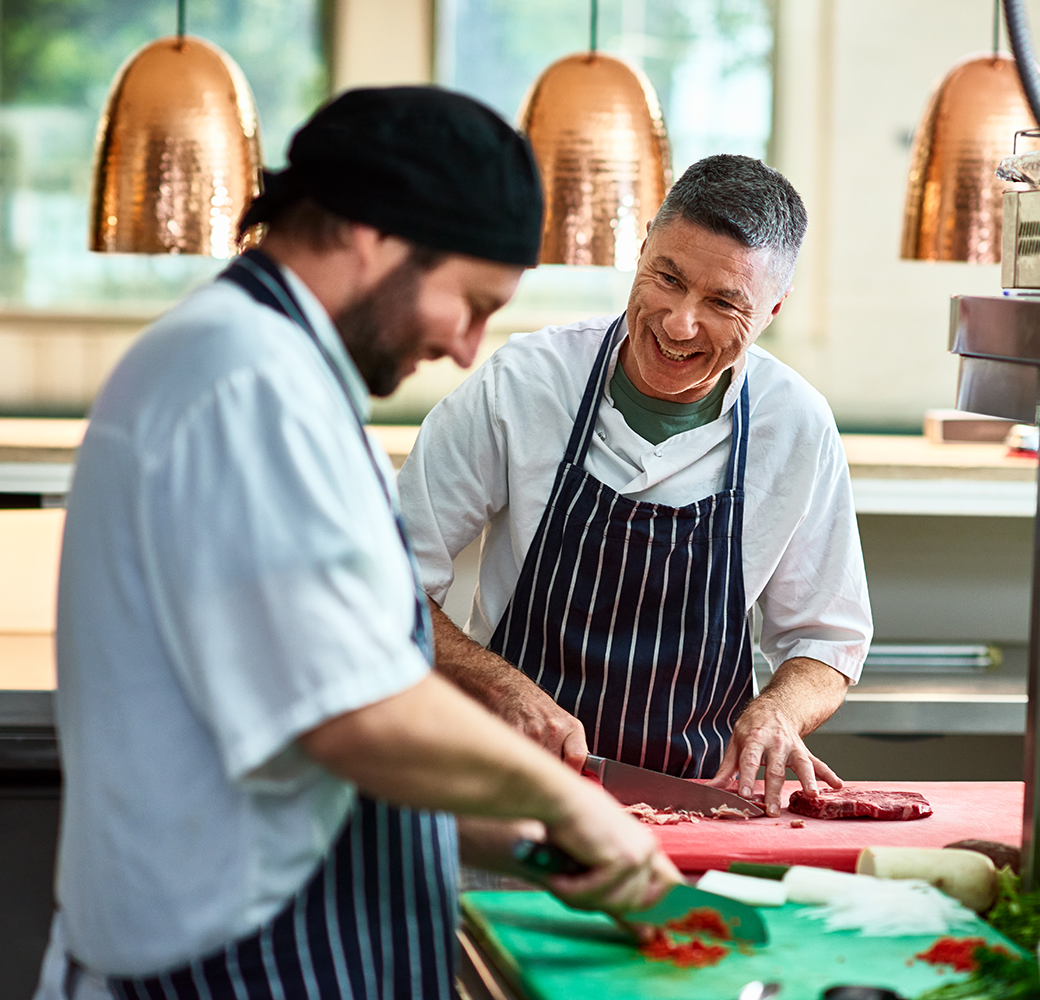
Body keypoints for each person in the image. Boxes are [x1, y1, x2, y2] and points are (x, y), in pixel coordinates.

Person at [33, 86, 680, 1000]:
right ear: (373, 232)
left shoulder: (275, 372)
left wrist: (514, 836)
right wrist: (567, 798)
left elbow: (292, 724)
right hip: (227, 969)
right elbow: (352, 713)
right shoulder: (245, 380)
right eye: (470, 301)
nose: (468, 347)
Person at [398, 154, 873, 819]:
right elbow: (391, 586)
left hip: (699, 808)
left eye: (722, 303)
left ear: (774, 307)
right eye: (667, 278)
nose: (679, 323)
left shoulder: (795, 425)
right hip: (509, 796)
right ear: (644, 244)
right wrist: (501, 688)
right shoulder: (524, 384)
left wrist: (779, 712)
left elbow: (826, 641)